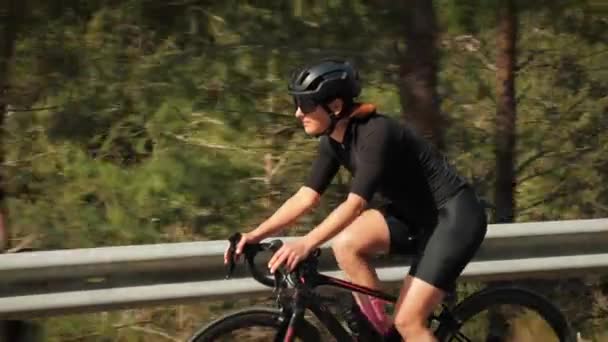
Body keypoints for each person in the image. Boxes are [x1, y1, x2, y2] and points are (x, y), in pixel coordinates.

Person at [224, 59, 488, 341]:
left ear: (335, 106)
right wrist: (254, 235)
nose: (297, 113)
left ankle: (400, 329)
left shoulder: (376, 134)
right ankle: (380, 332)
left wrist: (306, 243)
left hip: (454, 217)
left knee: (409, 322)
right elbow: (306, 196)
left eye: (306, 104)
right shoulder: (333, 142)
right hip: (414, 217)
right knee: (346, 244)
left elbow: (355, 204)